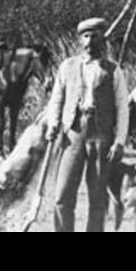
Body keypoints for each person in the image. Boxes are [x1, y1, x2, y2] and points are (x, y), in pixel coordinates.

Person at [44, 17, 129, 232]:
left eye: (95, 35)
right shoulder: (67, 66)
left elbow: (122, 108)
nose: (90, 40)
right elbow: (56, 99)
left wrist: (119, 142)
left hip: (101, 137)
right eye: (86, 36)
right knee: (62, 195)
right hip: (72, 135)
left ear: (103, 39)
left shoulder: (113, 70)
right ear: (80, 40)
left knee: (98, 198)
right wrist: (54, 123)